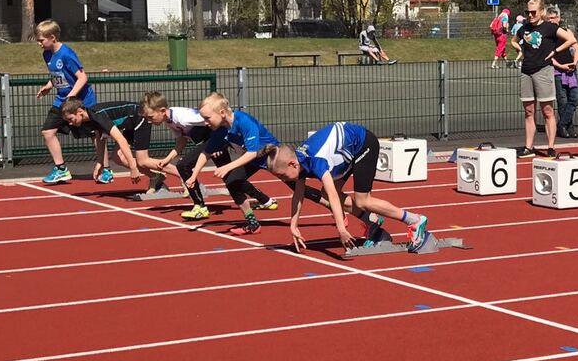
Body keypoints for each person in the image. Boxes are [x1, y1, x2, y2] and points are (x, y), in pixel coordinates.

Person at [264, 122, 430, 253]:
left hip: (363, 144)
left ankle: (414, 220)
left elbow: (334, 196)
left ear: (292, 164)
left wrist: (341, 229)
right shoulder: (299, 162)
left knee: (363, 200)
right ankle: (371, 220)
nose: (283, 180)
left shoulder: (316, 161)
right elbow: (298, 195)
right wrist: (293, 225)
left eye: (282, 175)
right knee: (326, 193)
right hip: (346, 151)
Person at [184, 93, 281, 232]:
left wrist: (227, 167)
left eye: (207, 118)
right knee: (232, 182)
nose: (205, 123)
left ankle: (320, 204)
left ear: (222, 113)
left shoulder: (243, 121)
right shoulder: (220, 130)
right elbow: (206, 152)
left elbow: (252, 152)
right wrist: (194, 176)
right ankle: (253, 224)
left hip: (271, 155)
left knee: (299, 186)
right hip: (252, 160)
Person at [511, 0, 576, 157]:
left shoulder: (549, 27)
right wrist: (520, 49)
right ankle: (529, 147)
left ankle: (551, 147)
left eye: (533, 12)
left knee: (547, 110)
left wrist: (555, 51)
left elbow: (571, 39)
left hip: (543, 71)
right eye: (528, 12)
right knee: (529, 111)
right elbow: (513, 41)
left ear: (541, 12)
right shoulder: (524, 28)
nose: (530, 15)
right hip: (526, 71)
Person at [35, 19, 97, 184]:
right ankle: (61, 169)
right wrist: (49, 86)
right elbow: (58, 75)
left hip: (82, 101)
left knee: (95, 134)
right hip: (61, 100)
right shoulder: (46, 54)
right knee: (48, 132)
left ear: (52, 37)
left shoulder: (67, 54)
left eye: (41, 40)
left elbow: (82, 77)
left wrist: (71, 96)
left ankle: (105, 168)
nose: (39, 44)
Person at [60, 98, 143, 184]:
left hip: (140, 114)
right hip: (130, 123)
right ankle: (152, 175)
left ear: (80, 111)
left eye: (70, 119)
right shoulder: (88, 120)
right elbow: (100, 138)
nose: (70, 123)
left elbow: (121, 140)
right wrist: (100, 163)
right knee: (117, 157)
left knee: (143, 160)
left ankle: (150, 173)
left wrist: (133, 168)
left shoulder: (97, 115)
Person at [547, 6, 578, 138]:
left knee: (576, 97)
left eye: (553, 18)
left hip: (571, 70)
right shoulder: (547, 36)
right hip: (557, 71)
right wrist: (560, 66)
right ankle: (568, 127)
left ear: (559, 18)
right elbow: (548, 56)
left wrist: (574, 62)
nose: (551, 20)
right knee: (562, 101)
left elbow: (576, 48)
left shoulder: (567, 31)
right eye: (549, 18)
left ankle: (562, 124)